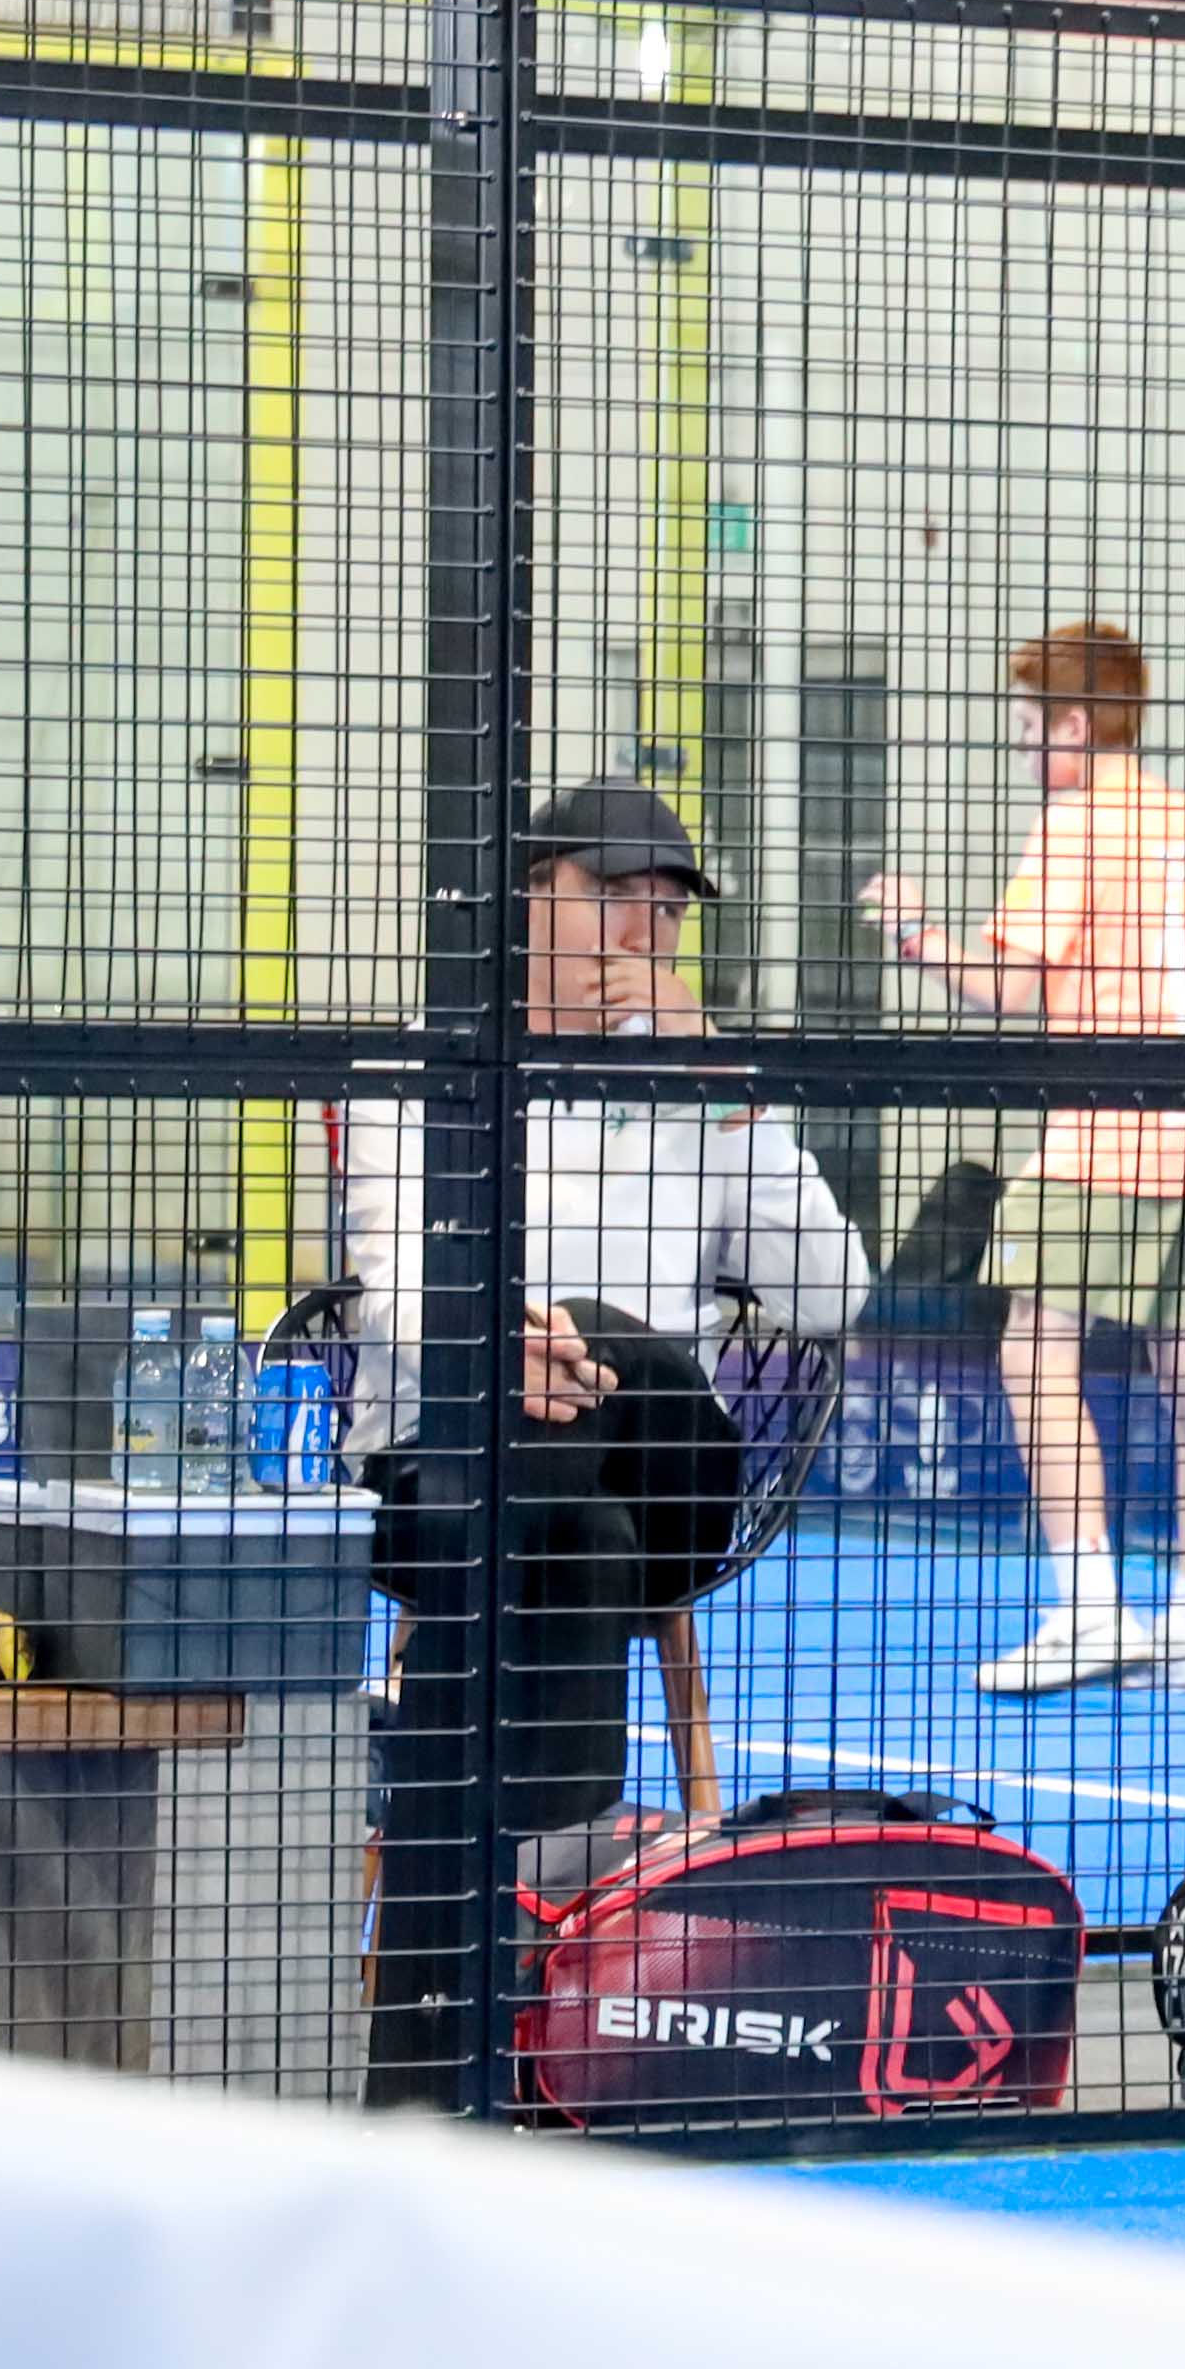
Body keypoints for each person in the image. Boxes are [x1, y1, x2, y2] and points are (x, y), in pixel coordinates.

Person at [328, 780, 871, 2090]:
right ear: (531, 900)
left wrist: (726, 1087)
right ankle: (551, 1876)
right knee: (574, 1525)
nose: (645, 929)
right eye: (615, 895)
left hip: (667, 1462)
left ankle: (448, 1864)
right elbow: (392, 1285)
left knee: (608, 1353)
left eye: (668, 909)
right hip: (457, 1460)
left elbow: (834, 1293)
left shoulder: (702, 1091)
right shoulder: (416, 1067)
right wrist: (497, 1351)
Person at [859, 622, 1185, 1698]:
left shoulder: (1074, 824)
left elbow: (1005, 987)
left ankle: (1090, 1609)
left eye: (1027, 724)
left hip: (1101, 1137)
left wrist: (914, 933)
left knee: (1034, 1350)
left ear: (1071, 723)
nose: (1020, 744)